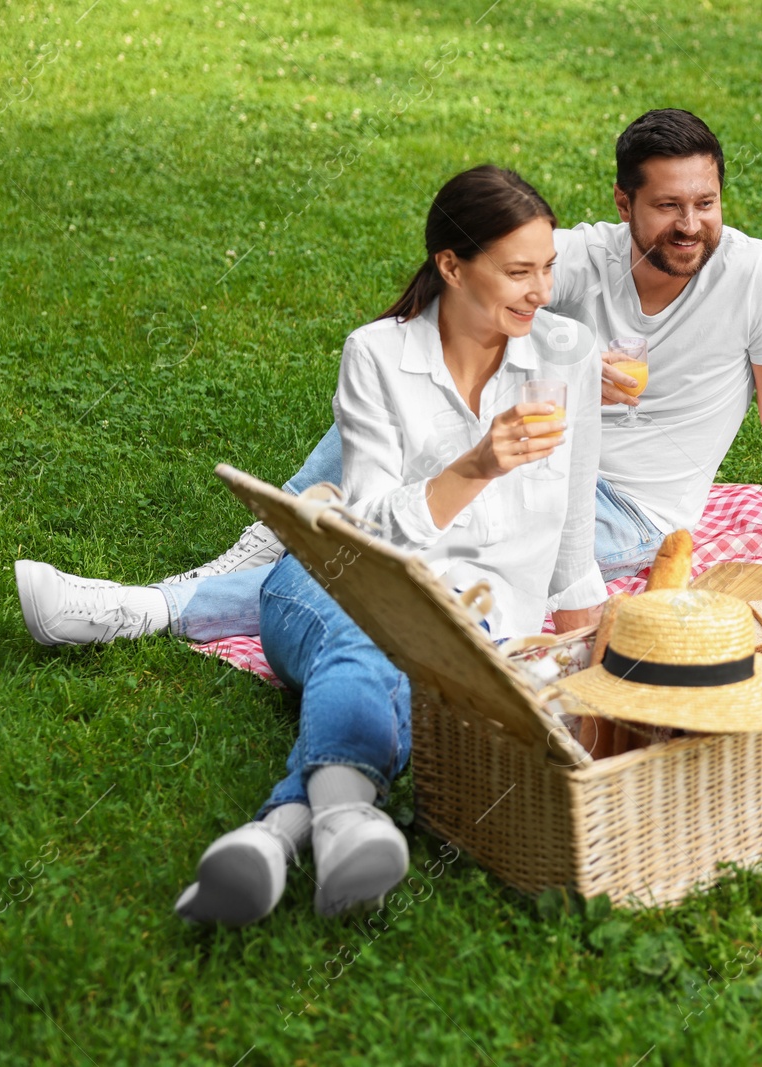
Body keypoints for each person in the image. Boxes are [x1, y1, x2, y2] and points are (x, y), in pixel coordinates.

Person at [14, 109, 762, 647]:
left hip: (624, 504)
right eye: (669, 205)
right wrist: (563, 363)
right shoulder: (581, 258)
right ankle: (268, 538)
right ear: (625, 202)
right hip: (514, 451)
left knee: (412, 562)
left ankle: (149, 609)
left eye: (706, 202)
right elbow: (449, 322)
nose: (691, 225)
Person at [173, 167, 605, 925]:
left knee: (410, 659)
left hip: (477, 621)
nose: (542, 291)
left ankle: (281, 834)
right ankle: (344, 824)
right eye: (517, 272)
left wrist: (583, 669)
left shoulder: (565, 351)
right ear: (450, 265)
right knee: (380, 629)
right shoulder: (376, 355)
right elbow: (363, 531)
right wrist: (473, 466)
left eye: (548, 268)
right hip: (333, 586)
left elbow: (573, 522)